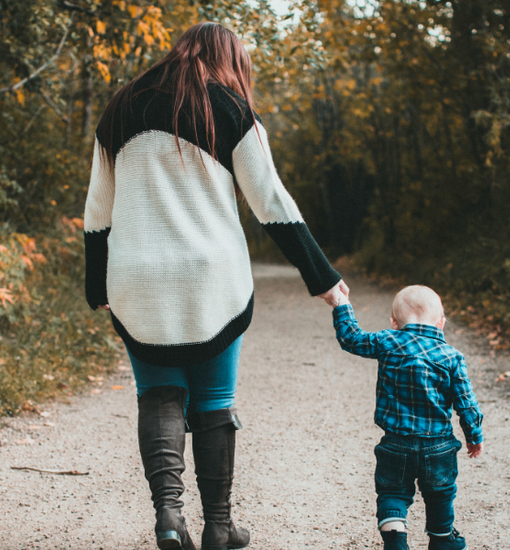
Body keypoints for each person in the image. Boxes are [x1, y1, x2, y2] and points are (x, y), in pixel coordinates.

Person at [82, 22, 349, 550]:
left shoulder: (120, 107)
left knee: (158, 394)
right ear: (228, 59)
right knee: (215, 398)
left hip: (137, 275)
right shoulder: (228, 108)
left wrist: (98, 283)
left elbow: (97, 210)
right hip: (213, 279)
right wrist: (324, 280)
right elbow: (271, 201)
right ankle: (219, 526)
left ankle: (168, 517)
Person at [327, 285, 483, 550]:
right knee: (440, 494)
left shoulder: (388, 341)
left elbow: (351, 338)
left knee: (392, 493)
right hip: (439, 446)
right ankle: (442, 538)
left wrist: (341, 304)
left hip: (396, 443)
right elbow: (466, 404)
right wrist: (474, 436)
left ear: (394, 322)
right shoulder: (452, 357)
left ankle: (396, 538)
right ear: (441, 323)